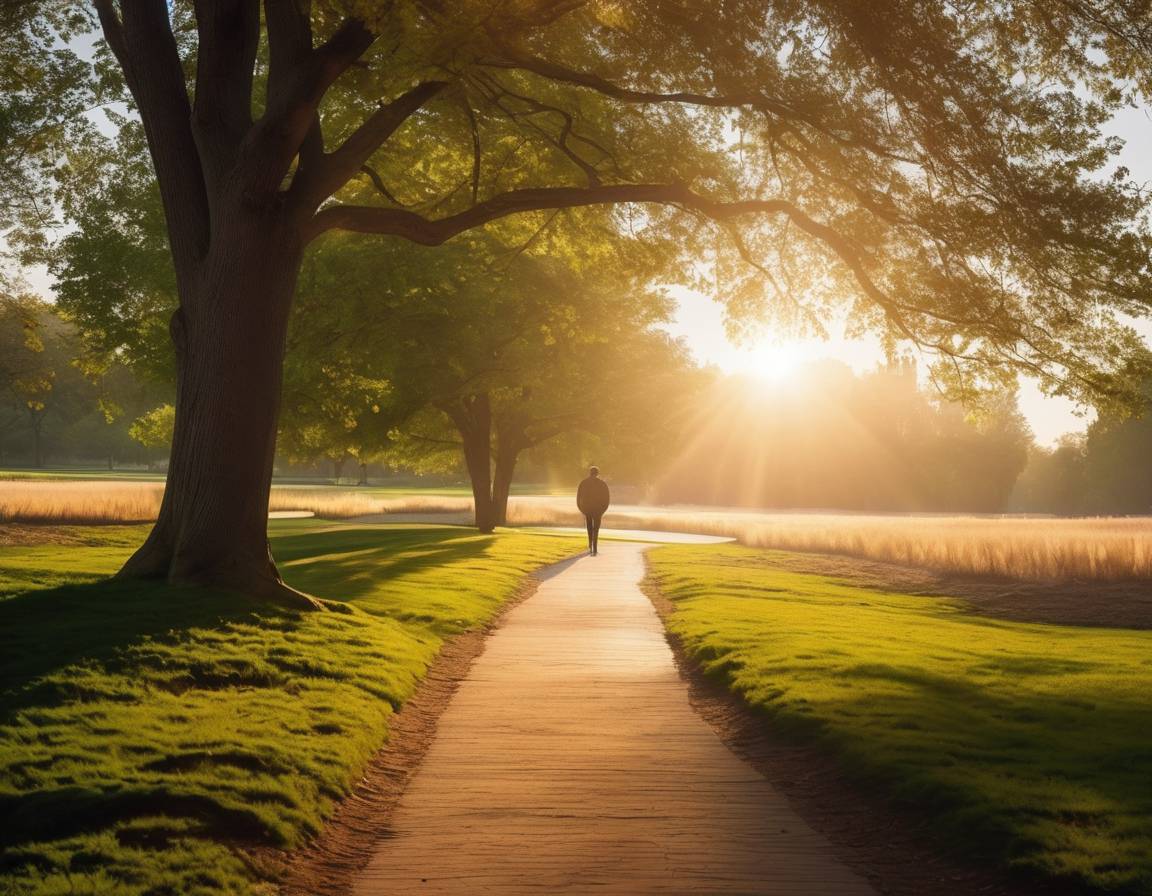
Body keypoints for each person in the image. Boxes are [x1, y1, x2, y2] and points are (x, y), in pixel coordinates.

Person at [576, 465, 611, 556]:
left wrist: (582, 509)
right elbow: (607, 499)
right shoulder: (602, 484)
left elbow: (578, 498)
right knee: (596, 528)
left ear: (590, 473)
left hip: (587, 509)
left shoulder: (583, 483)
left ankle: (590, 545)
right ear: (598, 473)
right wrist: (603, 509)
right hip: (598, 510)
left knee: (589, 527)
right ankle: (594, 547)